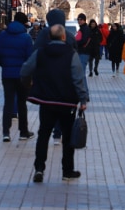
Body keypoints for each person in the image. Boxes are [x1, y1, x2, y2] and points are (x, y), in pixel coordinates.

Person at [21, 24, 89, 183]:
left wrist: (29, 85)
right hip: (67, 102)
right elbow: (78, 78)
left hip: (46, 101)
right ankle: (67, 170)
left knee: (43, 135)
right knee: (67, 137)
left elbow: (25, 70)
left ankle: (39, 168)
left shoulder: (40, 52)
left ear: (49, 38)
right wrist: (83, 98)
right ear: (64, 37)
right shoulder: (71, 54)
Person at [34, 9, 80, 145]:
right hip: (65, 78)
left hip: (47, 78)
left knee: (47, 106)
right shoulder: (69, 36)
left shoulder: (44, 34)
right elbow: (75, 58)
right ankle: (58, 133)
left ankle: (46, 136)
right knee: (62, 105)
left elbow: (35, 53)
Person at [0, 11, 35, 142]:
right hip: (22, 76)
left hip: (7, 75)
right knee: (22, 103)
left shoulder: (3, 35)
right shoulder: (26, 38)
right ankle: (23, 132)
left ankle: (6, 132)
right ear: (23, 23)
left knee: (8, 103)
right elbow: (30, 58)